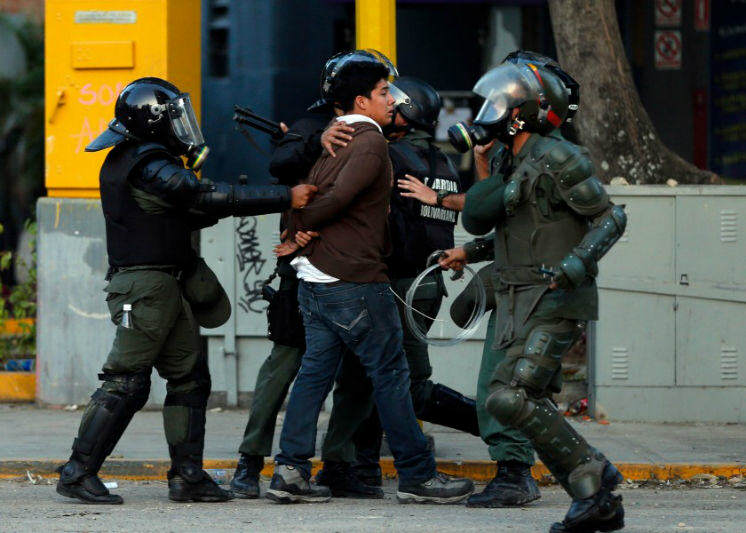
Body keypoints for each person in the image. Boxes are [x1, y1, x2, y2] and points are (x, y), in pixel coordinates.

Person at [55, 77, 316, 505]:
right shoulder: (145, 162)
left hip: (166, 283)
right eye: (174, 115)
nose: (183, 124)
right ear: (156, 122)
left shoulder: (139, 159)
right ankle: (77, 472)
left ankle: (188, 476)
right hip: (144, 288)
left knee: (190, 379)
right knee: (126, 382)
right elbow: (200, 194)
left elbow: (183, 211)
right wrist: (285, 196)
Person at [267, 58, 474, 505]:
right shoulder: (370, 142)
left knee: (314, 375)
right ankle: (418, 476)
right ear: (361, 101)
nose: (391, 99)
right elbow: (332, 199)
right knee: (393, 376)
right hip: (355, 280)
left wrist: (296, 227)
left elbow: (306, 189)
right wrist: (302, 218)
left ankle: (291, 471)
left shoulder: (336, 138)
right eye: (383, 92)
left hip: (317, 278)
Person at [439, 58, 627, 532]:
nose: (489, 113)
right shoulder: (511, 160)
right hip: (517, 294)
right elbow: (514, 227)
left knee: (509, 395)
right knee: (514, 399)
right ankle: (595, 498)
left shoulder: (558, 155)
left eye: (499, 104)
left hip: (554, 296)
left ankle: (592, 476)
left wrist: (575, 265)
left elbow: (610, 218)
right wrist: (471, 249)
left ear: (522, 110)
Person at [230, 53, 356, 499]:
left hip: (352, 265)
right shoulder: (314, 124)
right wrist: (314, 140)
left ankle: (339, 465)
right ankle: (249, 463)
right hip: (302, 265)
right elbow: (281, 165)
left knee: (358, 370)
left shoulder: (372, 131)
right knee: (284, 361)